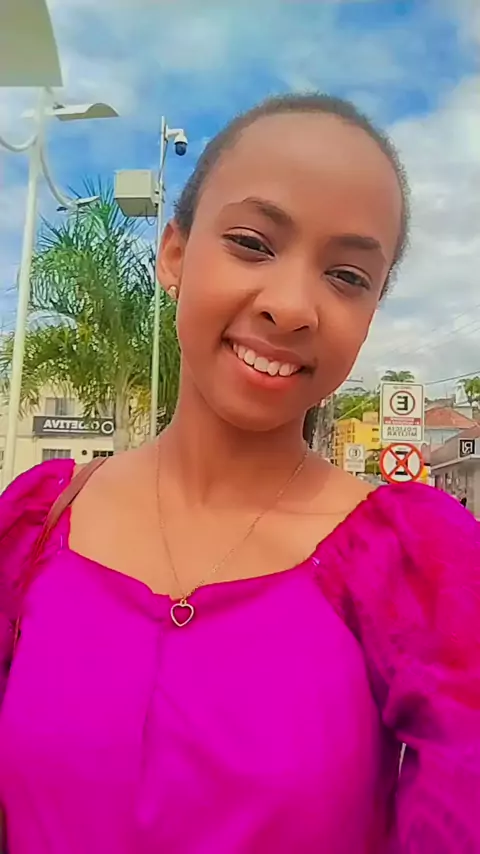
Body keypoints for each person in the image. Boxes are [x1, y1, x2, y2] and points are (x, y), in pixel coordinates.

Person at [0, 94, 479, 854]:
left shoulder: (422, 568)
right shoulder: (32, 528)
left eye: (347, 276)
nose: (291, 307)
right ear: (175, 254)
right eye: (253, 243)